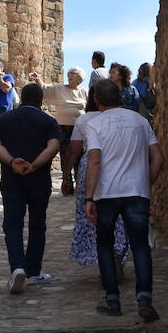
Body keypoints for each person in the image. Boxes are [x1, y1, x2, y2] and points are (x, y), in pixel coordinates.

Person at [84, 80, 164, 322]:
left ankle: (112, 300)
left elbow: (95, 161)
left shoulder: (94, 124)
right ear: (120, 97)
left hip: (107, 194)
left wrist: (89, 196)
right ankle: (144, 299)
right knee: (140, 245)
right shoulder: (140, 121)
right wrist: (144, 183)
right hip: (136, 192)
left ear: (96, 100)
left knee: (105, 244)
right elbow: (159, 158)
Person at [0, 83, 61, 291]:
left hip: (12, 180)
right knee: (38, 225)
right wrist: (35, 165)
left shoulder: (5, 120)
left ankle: (17, 267)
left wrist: (12, 162)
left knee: (12, 225)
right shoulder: (49, 121)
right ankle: (33, 271)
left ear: (21, 98)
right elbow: (53, 146)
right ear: (41, 101)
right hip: (39, 180)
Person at [65, 98, 128, 270]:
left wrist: (66, 175)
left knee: (90, 214)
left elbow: (73, 150)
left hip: (90, 165)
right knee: (118, 214)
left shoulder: (85, 120)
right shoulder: (125, 117)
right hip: (116, 162)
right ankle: (117, 252)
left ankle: (103, 257)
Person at [28, 67, 85, 168]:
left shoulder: (84, 92)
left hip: (79, 127)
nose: (70, 75)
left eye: (73, 74)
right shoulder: (59, 88)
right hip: (63, 127)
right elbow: (45, 88)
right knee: (65, 153)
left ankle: (77, 177)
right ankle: (66, 178)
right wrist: (38, 80)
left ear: (80, 78)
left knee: (78, 153)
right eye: (69, 73)